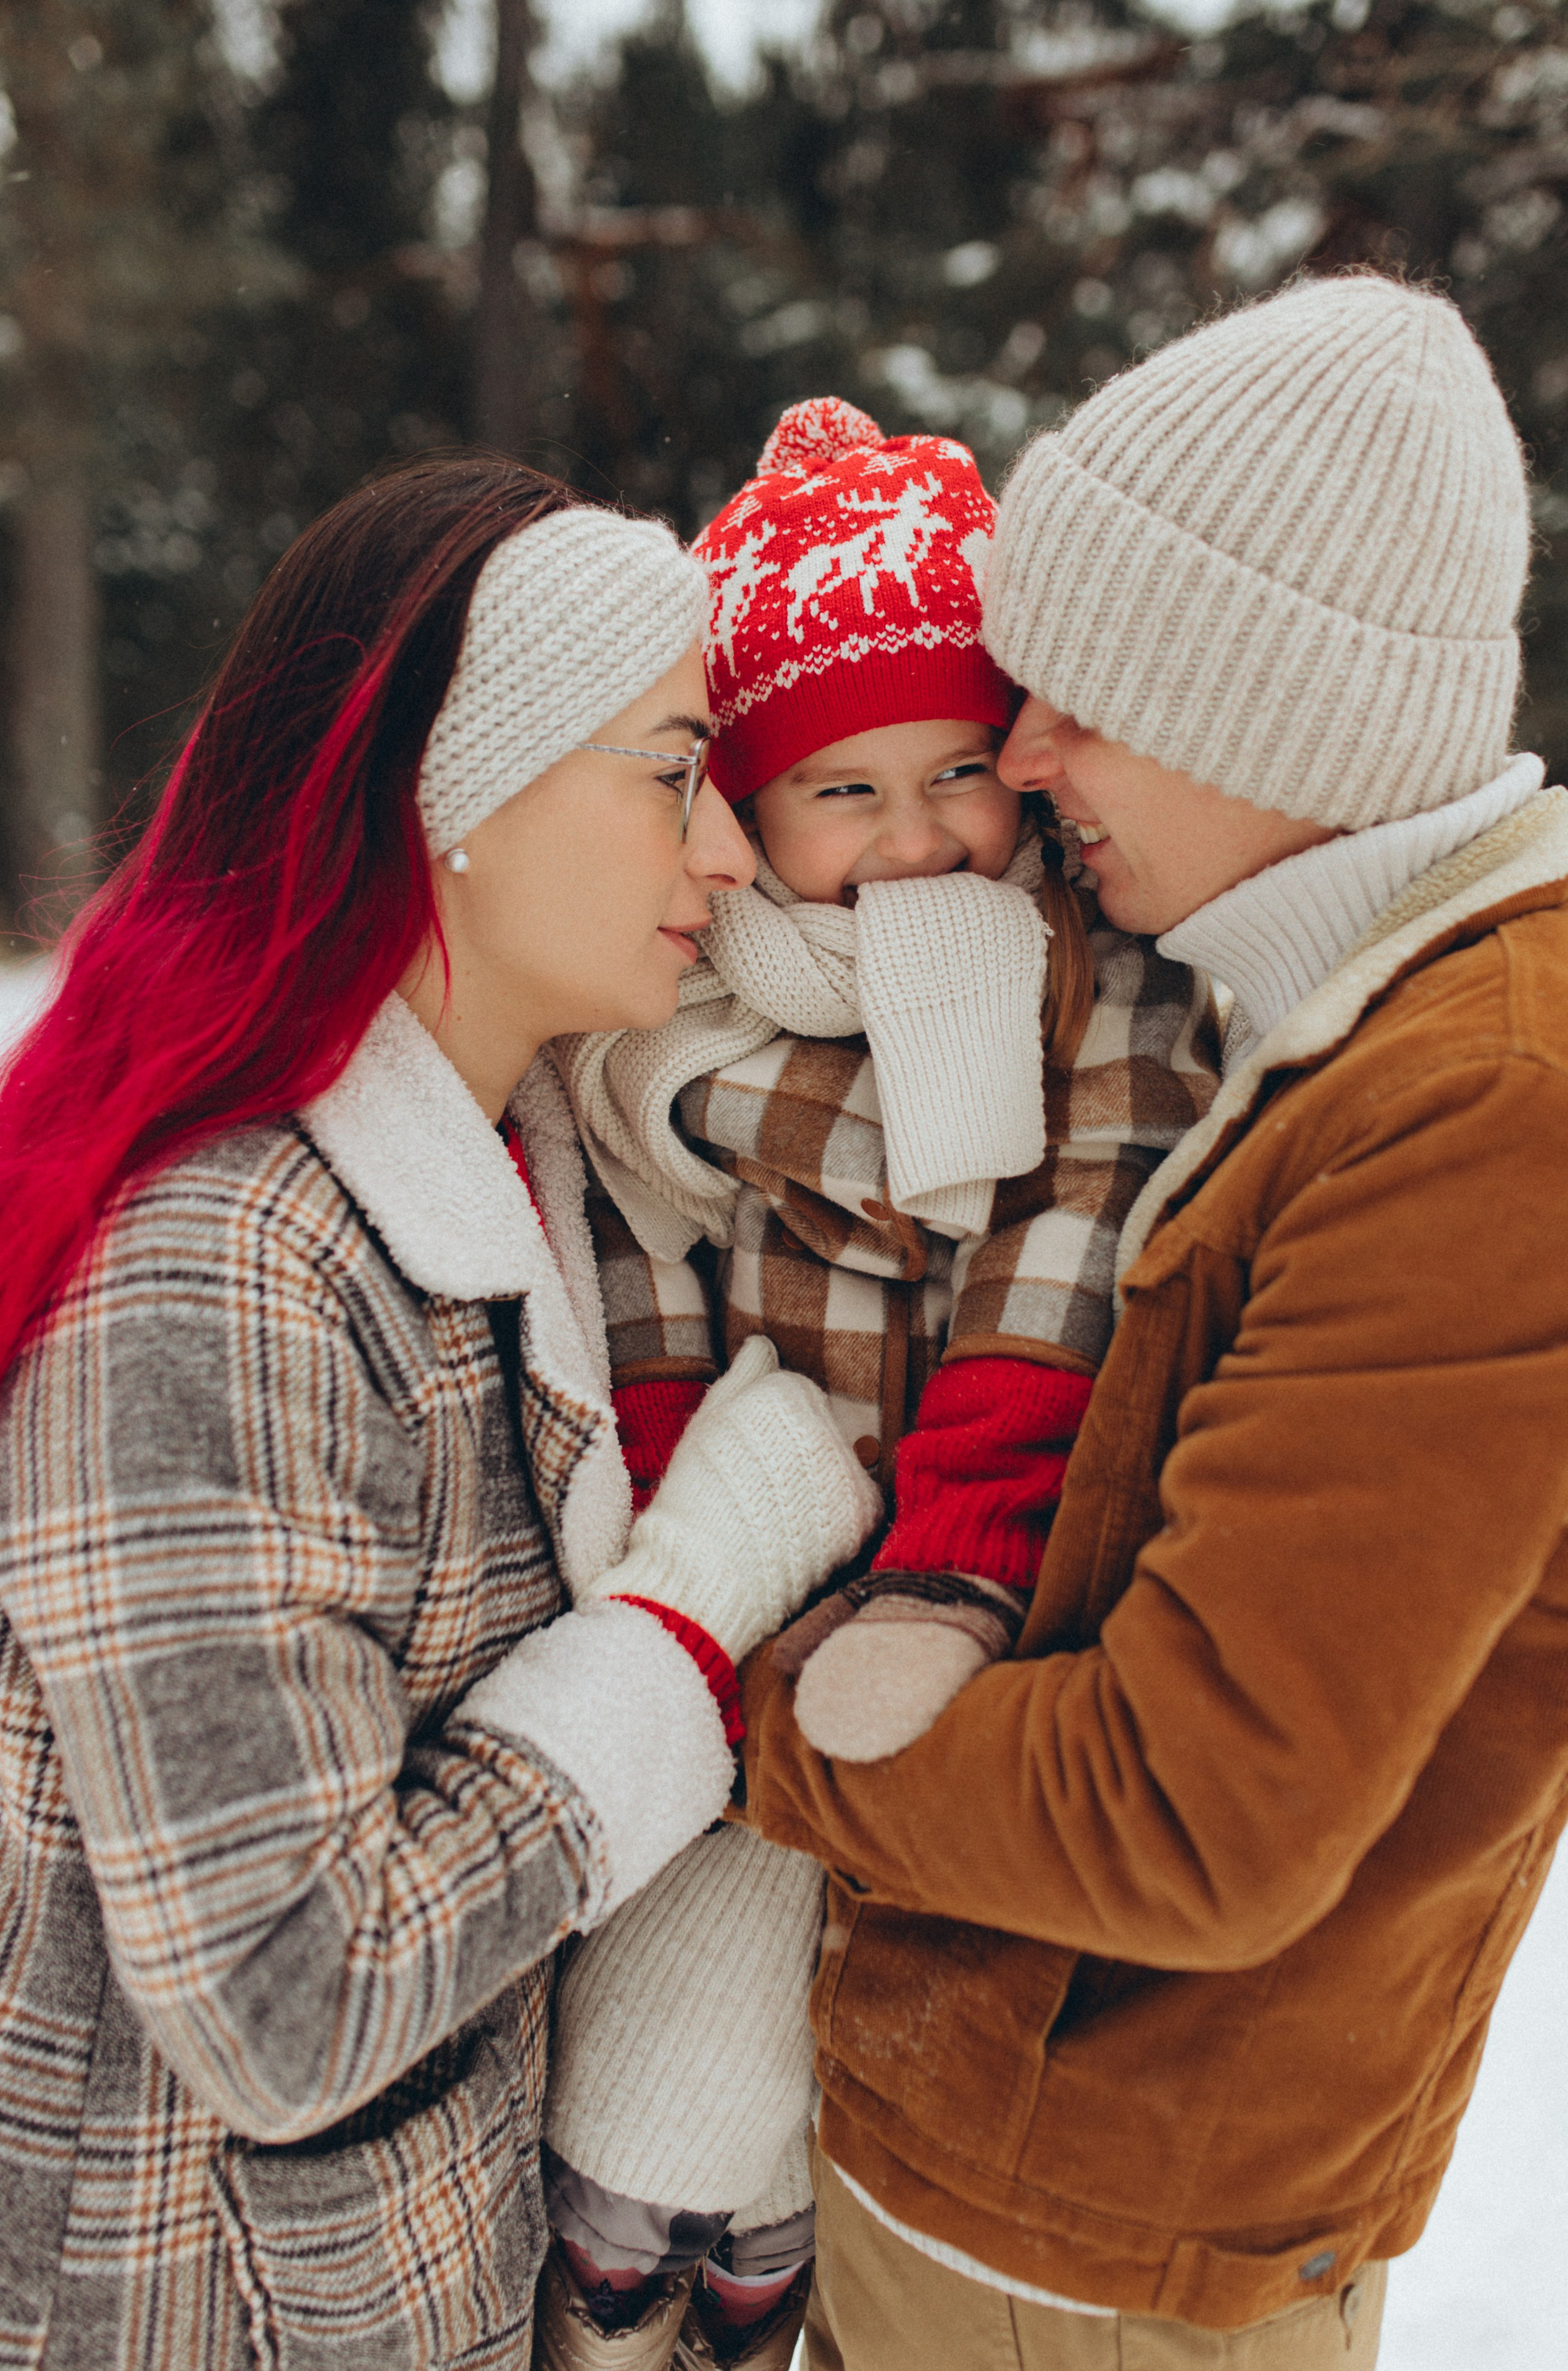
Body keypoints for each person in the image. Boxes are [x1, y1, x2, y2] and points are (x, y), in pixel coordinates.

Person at [734, 271, 1568, 2369]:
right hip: (1024, 2181)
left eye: (1077, 700)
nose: (1021, 757)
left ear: (1265, 714)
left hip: (1085, 2256)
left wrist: (733, 1724)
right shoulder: (1319, 1014)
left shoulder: (1490, 1106)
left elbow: (1188, 1812)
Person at [0, 456, 880, 2371]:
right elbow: (282, 1997)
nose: (730, 853)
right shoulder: (224, 1274)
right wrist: (688, 1614)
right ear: (455, 792)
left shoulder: (516, 1169)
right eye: (673, 773)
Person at [531, 401, 1217, 2370]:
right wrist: (678, 1515)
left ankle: (768, 2261)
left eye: (959, 774)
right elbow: (636, 1261)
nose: (919, 842)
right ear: (748, 810)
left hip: (965, 1578)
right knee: (690, 1966)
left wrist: (955, 1559)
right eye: (845, 790)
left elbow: (1061, 1251)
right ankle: (637, 2247)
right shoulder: (679, 995)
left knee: (854, 1978)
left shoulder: (1086, 976)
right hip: (728, 1544)